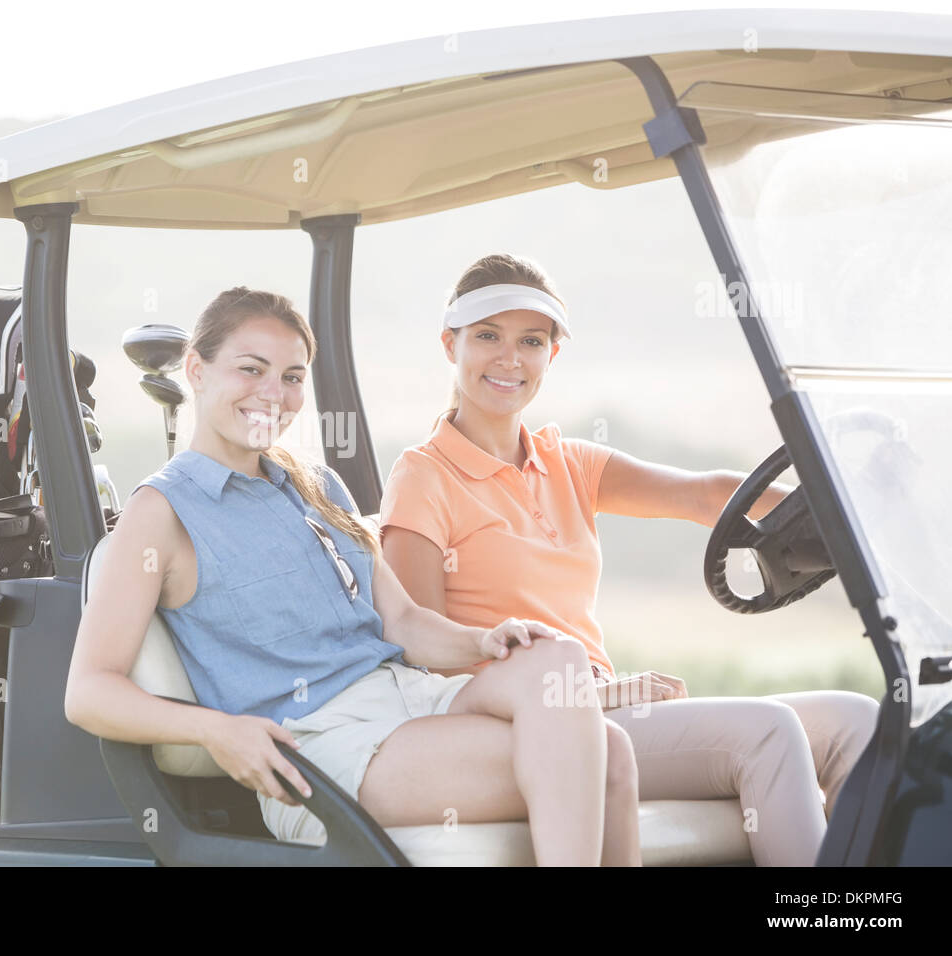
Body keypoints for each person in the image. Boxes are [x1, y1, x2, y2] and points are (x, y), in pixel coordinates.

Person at [65, 286, 642, 866]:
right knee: (605, 758)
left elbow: (403, 621)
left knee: (560, 661)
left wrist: (481, 640)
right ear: (196, 369)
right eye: (251, 369)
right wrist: (214, 730)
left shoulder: (319, 487)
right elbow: (89, 691)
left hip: (413, 698)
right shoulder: (161, 512)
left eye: (292, 377)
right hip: (322, 746)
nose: (274, 394)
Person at [379, 253, 881, 866]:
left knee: (856, 719)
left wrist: (846, 519)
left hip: (604, 701)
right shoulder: (423, 476)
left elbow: (702, 492)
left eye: (531, 342)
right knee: (768, 734)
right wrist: (592, 695)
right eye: (488, 336)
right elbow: (427, 659)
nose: (510, 359)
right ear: (449, 344)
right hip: (540, 727)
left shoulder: (567, 462)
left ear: (551, 356)